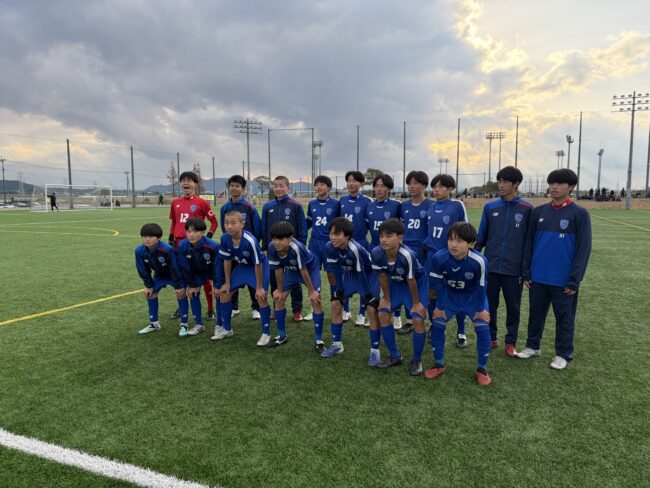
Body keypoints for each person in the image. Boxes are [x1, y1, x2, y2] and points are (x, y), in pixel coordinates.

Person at [518, 169, 592, 370]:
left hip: (563, 280)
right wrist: (526, 272)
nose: (554, 187)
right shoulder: (538, 212)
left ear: (571, 187)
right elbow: (528, 243)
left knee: (564, 319)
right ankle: (533, 346)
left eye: (559, 184)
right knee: (535, 314)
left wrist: (574, 280)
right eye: (551, 183)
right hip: (538, 277)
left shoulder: (580, 214)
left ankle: (563, 354)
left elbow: (583, 249)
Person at [476, 166, 533, 357]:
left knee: (513, 308)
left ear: (516, 184)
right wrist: (474, 259)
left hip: (513, 270)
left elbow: (529, 242)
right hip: (491, 267)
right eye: (499, 181)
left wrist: (526, 270)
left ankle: (511, 342)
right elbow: (481, 237)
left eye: (505, 182)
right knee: (489, 306)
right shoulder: (490, 207)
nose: (500, 185)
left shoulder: (527, 209)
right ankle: (491, 337)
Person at [426, 222, 493, 385]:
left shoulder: (480, 261)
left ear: (471, 243)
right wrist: (440, 307)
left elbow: (481, 287)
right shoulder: (439, 258)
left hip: (472, 297)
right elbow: (438, 285)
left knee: (483, 328)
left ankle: (482, 369)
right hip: (449, 295)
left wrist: (480, 309)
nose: (453, 244)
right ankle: (439, 364)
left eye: (459, 241)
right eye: (450, 239)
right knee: (437, 324)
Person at [371, 219, 429, 374]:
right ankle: (395, 356)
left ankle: (417, 360)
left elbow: (411, 280)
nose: (383, 239)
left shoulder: (407, 255)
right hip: (395, 283)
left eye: (389, 236)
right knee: (383, 313)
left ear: (400, 237)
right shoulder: (376, 252)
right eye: (381, 235)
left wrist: (416, 304)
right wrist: (387, 299)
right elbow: (382, 277)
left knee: (417, 318)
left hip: (416, 285)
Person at [322, 217, 379, 359]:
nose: (332, 237)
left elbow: (361, 272)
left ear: (347, 236)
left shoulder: (355, 249)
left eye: (337, 234)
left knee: (372, 309)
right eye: (331, 233)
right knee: (336, 303)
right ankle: (337, 344)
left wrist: (367, 295)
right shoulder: (329, 246)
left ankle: (375, 350)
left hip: (368, 276)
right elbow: (335, 269)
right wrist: (339, 289)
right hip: (349, 274)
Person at [425, 174, 469, 348]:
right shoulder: (430, 207)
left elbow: (466, 230)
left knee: (457, 293)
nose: (436, 190)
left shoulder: (457, 205)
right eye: (434, 186)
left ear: (450, 189)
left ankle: (461, 332)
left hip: (451, 257)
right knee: (432, 294)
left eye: (441, 186)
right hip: (432, 259)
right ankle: (436, 327)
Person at [216, 210, 272, 346]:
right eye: (226, 223)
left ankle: (266, 333)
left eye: (233, 223)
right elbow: (227, 260)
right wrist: (227, 283)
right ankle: (227, 329)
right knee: (225, 294)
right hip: (243, 266)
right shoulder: (224, 238)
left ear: (242, 224)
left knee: (261, 297)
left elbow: (258, 264)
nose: (229, 226)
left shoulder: (250, 240)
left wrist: (259, 287)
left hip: (258, 267)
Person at [168, 171, 219, 321]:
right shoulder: (175, 202)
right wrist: (171, 236)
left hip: (198, 246)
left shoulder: (202, 202)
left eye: (189, 180)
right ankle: (182, 307)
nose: (186, 183)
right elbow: (174, 222)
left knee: (205, 278)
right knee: (182, 277)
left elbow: (214, 222)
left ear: (195, 184)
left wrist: (208, 237)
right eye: (183, 180)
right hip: (179, 246)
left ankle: (210, 309)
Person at [268, 221, 325, 349]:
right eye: (274, 238)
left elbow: (303, 270)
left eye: (280, 239)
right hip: (291, 270)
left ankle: (319, 340)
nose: (277, 242)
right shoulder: (272, 247)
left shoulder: (297, 248)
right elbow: (278, 269)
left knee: (315, 300)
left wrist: (311, 291)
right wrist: (279, 289)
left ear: (290, 238)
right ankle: (282, 336)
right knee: (279, 299)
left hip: (309, 269)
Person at [261, 176, 307, 321]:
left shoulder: (296, 205)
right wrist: (264, 247)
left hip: (292, 250)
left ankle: (297, 310)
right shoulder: (267, 206)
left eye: (281, 186)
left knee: (294, 280)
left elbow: (302, 228)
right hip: (273, 249)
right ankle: (277, 307)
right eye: (276, 186)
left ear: (288, 188)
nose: (278, 188)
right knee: (274, 279)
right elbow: (264, 228)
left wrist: (300, 247)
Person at [220, 175, 262, 320]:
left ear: (242, 189)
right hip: (232, 248)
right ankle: (234, 307)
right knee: (232, 277)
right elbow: (224, 228)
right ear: (229, 187)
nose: (234, 188)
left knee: (252, 278)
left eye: (237, 186)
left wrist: (253, 245)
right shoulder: (225, 208)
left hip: (248, 249)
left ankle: (256, 308)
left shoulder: (250, 207)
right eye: (232, 185)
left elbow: (257, 228)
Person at [134, 223, 188, 335]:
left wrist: (178, 286)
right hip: (159, 275)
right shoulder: (139, 250)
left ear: (159, 238)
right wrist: (148, 285)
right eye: (144, 236)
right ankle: (154, 324)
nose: (147, 239)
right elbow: (142, 270)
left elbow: (174, 268)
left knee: (181, 294)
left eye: (151, 236)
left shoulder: (167, 249)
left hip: (175, 274)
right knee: (150, 294)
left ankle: (184, 324)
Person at [366, 174, 403, 331]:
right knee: (375, 282)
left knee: (394, 282)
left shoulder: (396, 205)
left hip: (392, 250)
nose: (379, 189)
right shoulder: (369, 206)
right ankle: (373, 314)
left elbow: (401, 228)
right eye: (376, 186)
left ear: (389, 188)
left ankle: (397, 316)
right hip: (375, 248)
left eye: (383, 186)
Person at [398, 170, 432, 335]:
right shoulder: (403, 206)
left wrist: (426, 245)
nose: (411, 186)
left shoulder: (431, 205)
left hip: (424, 250)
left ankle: (432, 323)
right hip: (406, 249)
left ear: (424, 186)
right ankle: (410, 320)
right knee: (407, 283)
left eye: (416, 183)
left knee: (426, 286)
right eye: (409, 183)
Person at [177, 218, 223, 338]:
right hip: (196, 274)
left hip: (211, 272)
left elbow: (217, 267)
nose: (191, 234)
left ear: (202, 232)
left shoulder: (212, 245)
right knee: (193, 293)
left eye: (195, 231)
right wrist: (192, 285)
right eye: (188, 231)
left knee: (219, 294)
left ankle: (219, 325)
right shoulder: (182, 245)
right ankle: (199, 325)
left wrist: (217, 285)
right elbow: (185, 267)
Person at [339, 170, 373, 325]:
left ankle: (361, 313)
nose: (351, 183)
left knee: (362, 277)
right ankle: (346, 311)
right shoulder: (342, 200)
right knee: (345, 276)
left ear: (361, 184)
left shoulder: (368, 201)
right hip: (344, 244)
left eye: (354, 181)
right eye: (349, 180)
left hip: (361, 243)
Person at [307, 175, 340, 316]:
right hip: (314, 243)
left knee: (332, 275)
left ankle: (336, 306)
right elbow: (308, 223)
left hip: (330, 244)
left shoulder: (336, 204)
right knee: (313, 276)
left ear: (329, 187)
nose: (319, 187)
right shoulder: (312, 204)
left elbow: (340, 224)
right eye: (317, 184)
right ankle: (314, 308)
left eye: (322, 184)